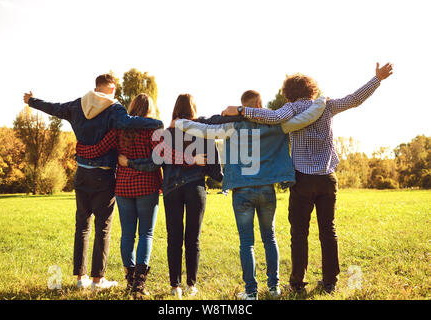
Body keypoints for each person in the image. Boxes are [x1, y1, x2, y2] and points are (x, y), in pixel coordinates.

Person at [222, 62, 394, 294]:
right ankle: (330, 282)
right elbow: (354, 99)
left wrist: (242, 111)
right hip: (326, 178)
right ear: (311, 88)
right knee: (328, 230)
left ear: (289, 92)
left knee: (299, 233)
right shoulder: (326, 105)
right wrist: (377, 79)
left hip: (302, 179)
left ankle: (297, 283)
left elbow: (271, 117)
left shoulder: (292, 108)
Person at [175, 90, 326, 300]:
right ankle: (274, 288)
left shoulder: (230, 128)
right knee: (269, 238)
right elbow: (306, 117)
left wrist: (181, 123)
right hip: (266, 189)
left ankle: (251, 292)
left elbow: (203, 130)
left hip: (242, 191)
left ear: (243, 106)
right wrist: (321, 100)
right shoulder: (275, 126)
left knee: (247, 243)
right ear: (259, 104)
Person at [22, 74, 163, 291]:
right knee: (103, 228)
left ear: (96, 87)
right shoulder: (114, 109)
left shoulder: (78, 105)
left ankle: (81, 278)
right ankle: (98, 280)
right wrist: (156, 122)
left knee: (82, 226)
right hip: (103, 175)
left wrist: (32, 101)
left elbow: (55, 108)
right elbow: (128, 122)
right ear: (112, 88)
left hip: (81, 174)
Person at [90, 93, 223, 299]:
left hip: (141, 188)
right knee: (170, 237)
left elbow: (102, 147)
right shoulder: (163, 130)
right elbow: (161, 160)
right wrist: (198, 162)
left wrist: (84, 155)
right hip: (158, 187)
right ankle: (180, 284)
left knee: (143, 236)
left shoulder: (139, 131)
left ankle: (157, 283)